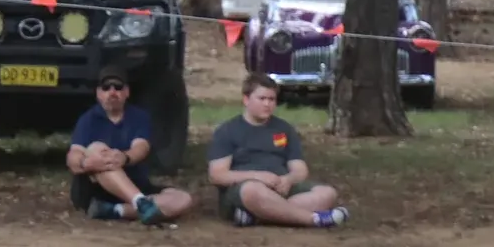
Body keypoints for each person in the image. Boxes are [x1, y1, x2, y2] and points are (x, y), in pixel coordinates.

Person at [206, 74, 349, 229]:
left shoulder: (284, 129)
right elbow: (217, 175)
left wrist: (288, 179)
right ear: (246, 100)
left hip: (280, 186)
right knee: (252, 190)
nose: (267, 104)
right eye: (262, 99)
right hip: (244, 189)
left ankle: (259, 215)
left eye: (272, 99)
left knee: (327, 193)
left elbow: (300, 170)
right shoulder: (227, 131)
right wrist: (257, 177)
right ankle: (313, 219)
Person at [67, 74, 193, 225]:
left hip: (136, 183)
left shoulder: (139, 117)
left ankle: (117, 210)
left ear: (127, 92)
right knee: (98, 149)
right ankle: (140, 202)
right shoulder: (87, 120)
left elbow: (141, 147)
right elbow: (73, 156)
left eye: (118, 88)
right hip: (97, 189)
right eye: (106, 88)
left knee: (183, 199)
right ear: (99, 93)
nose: (112, 92)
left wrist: (125, 157)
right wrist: (86, 163)